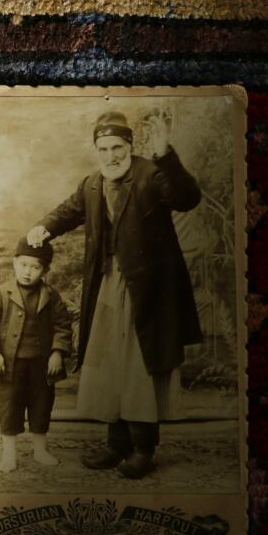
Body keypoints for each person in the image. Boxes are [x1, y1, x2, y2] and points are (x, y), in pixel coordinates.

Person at [26, 109, 202, 478]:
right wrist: (43, 227)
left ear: (130, 145)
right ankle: (116, 444)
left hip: (148, 291)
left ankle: (143, 449)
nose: (111, 156)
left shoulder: (151, 172)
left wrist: (165, 152)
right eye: (103, 148)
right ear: (96, 150)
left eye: (117, 147)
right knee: (107, 363)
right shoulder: (92, 183)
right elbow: (68, 211)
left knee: (139, 366)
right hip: (107, 285)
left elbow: (187, 198)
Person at [0, 238, 72, 472]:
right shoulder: (1, 293)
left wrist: (57, 352)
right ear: (14, 263)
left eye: (35, 267)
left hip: (42, 365)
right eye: (23, 265)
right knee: (10, 407)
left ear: (45, 270)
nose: (28, 272)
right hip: (10, 364)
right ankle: (9, 454)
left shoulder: (51, 296)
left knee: (42, 405)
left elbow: (62, 325)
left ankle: (40, 451)